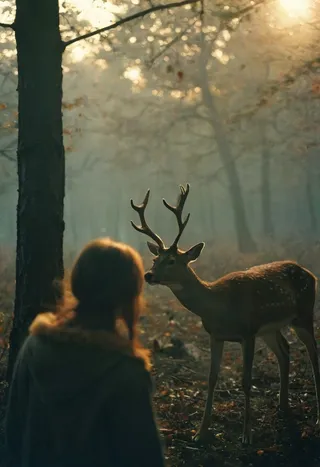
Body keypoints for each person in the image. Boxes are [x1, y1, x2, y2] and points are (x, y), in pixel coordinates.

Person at [5, 238, 165, 467]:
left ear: (78, 282)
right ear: (130, 295)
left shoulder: (34, 346)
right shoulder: (126, 372)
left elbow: (12, 438)